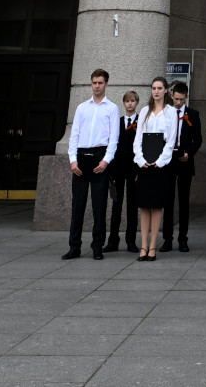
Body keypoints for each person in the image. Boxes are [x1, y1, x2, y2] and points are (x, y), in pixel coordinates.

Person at [64, 69, 120, 259]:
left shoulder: (112, 108)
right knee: (77, 206)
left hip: (100, 156)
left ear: (106, 84)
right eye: (94, 82)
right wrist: (73, 161)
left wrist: (105, 161)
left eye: (100, 83)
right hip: (81, 157)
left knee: (99, 206)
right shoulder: (82, 108)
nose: (97, 86)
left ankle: (97, 247)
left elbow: (114, 139)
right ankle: (74, 247)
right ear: (91, 84)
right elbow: (74, 136)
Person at [133, 77, 177, 260]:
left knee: (157, 205)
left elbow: (171, 140)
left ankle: (152, 247)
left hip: (161, 165)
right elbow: (138, 139)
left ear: (166, 90)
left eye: (160, 88)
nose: (156, 91)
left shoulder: (171, 112)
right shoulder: (144, 111)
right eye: (153, 88)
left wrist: (160, 161)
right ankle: (143, 245)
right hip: (144, 163)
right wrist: (140, 159)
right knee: (144, 206)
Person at [164, 81, 200, 252]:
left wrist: (189, 153)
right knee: (168, 199)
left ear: (186, 97)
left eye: (181, 100)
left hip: (184, 159)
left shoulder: (193, 114)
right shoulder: (166, 113)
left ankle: (183, 239)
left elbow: (198, 139)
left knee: (184, 201)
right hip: (169, 159)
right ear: (171, 96)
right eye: (176, 99)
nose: (178, 102)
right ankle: (167, 239)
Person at [108, 89, 141, 253]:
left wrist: (139, 169)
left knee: (132, 206)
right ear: (123, 103)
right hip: (118, 168)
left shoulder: (141, 122)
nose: (130, 103)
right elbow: (112, 145)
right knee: (116, 204)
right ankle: (113, 241)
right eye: (127, 101)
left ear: (137, 103)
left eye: (133, 101)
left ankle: (131, 241)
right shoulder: (117, 122)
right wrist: (111, 169)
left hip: (134, 168)